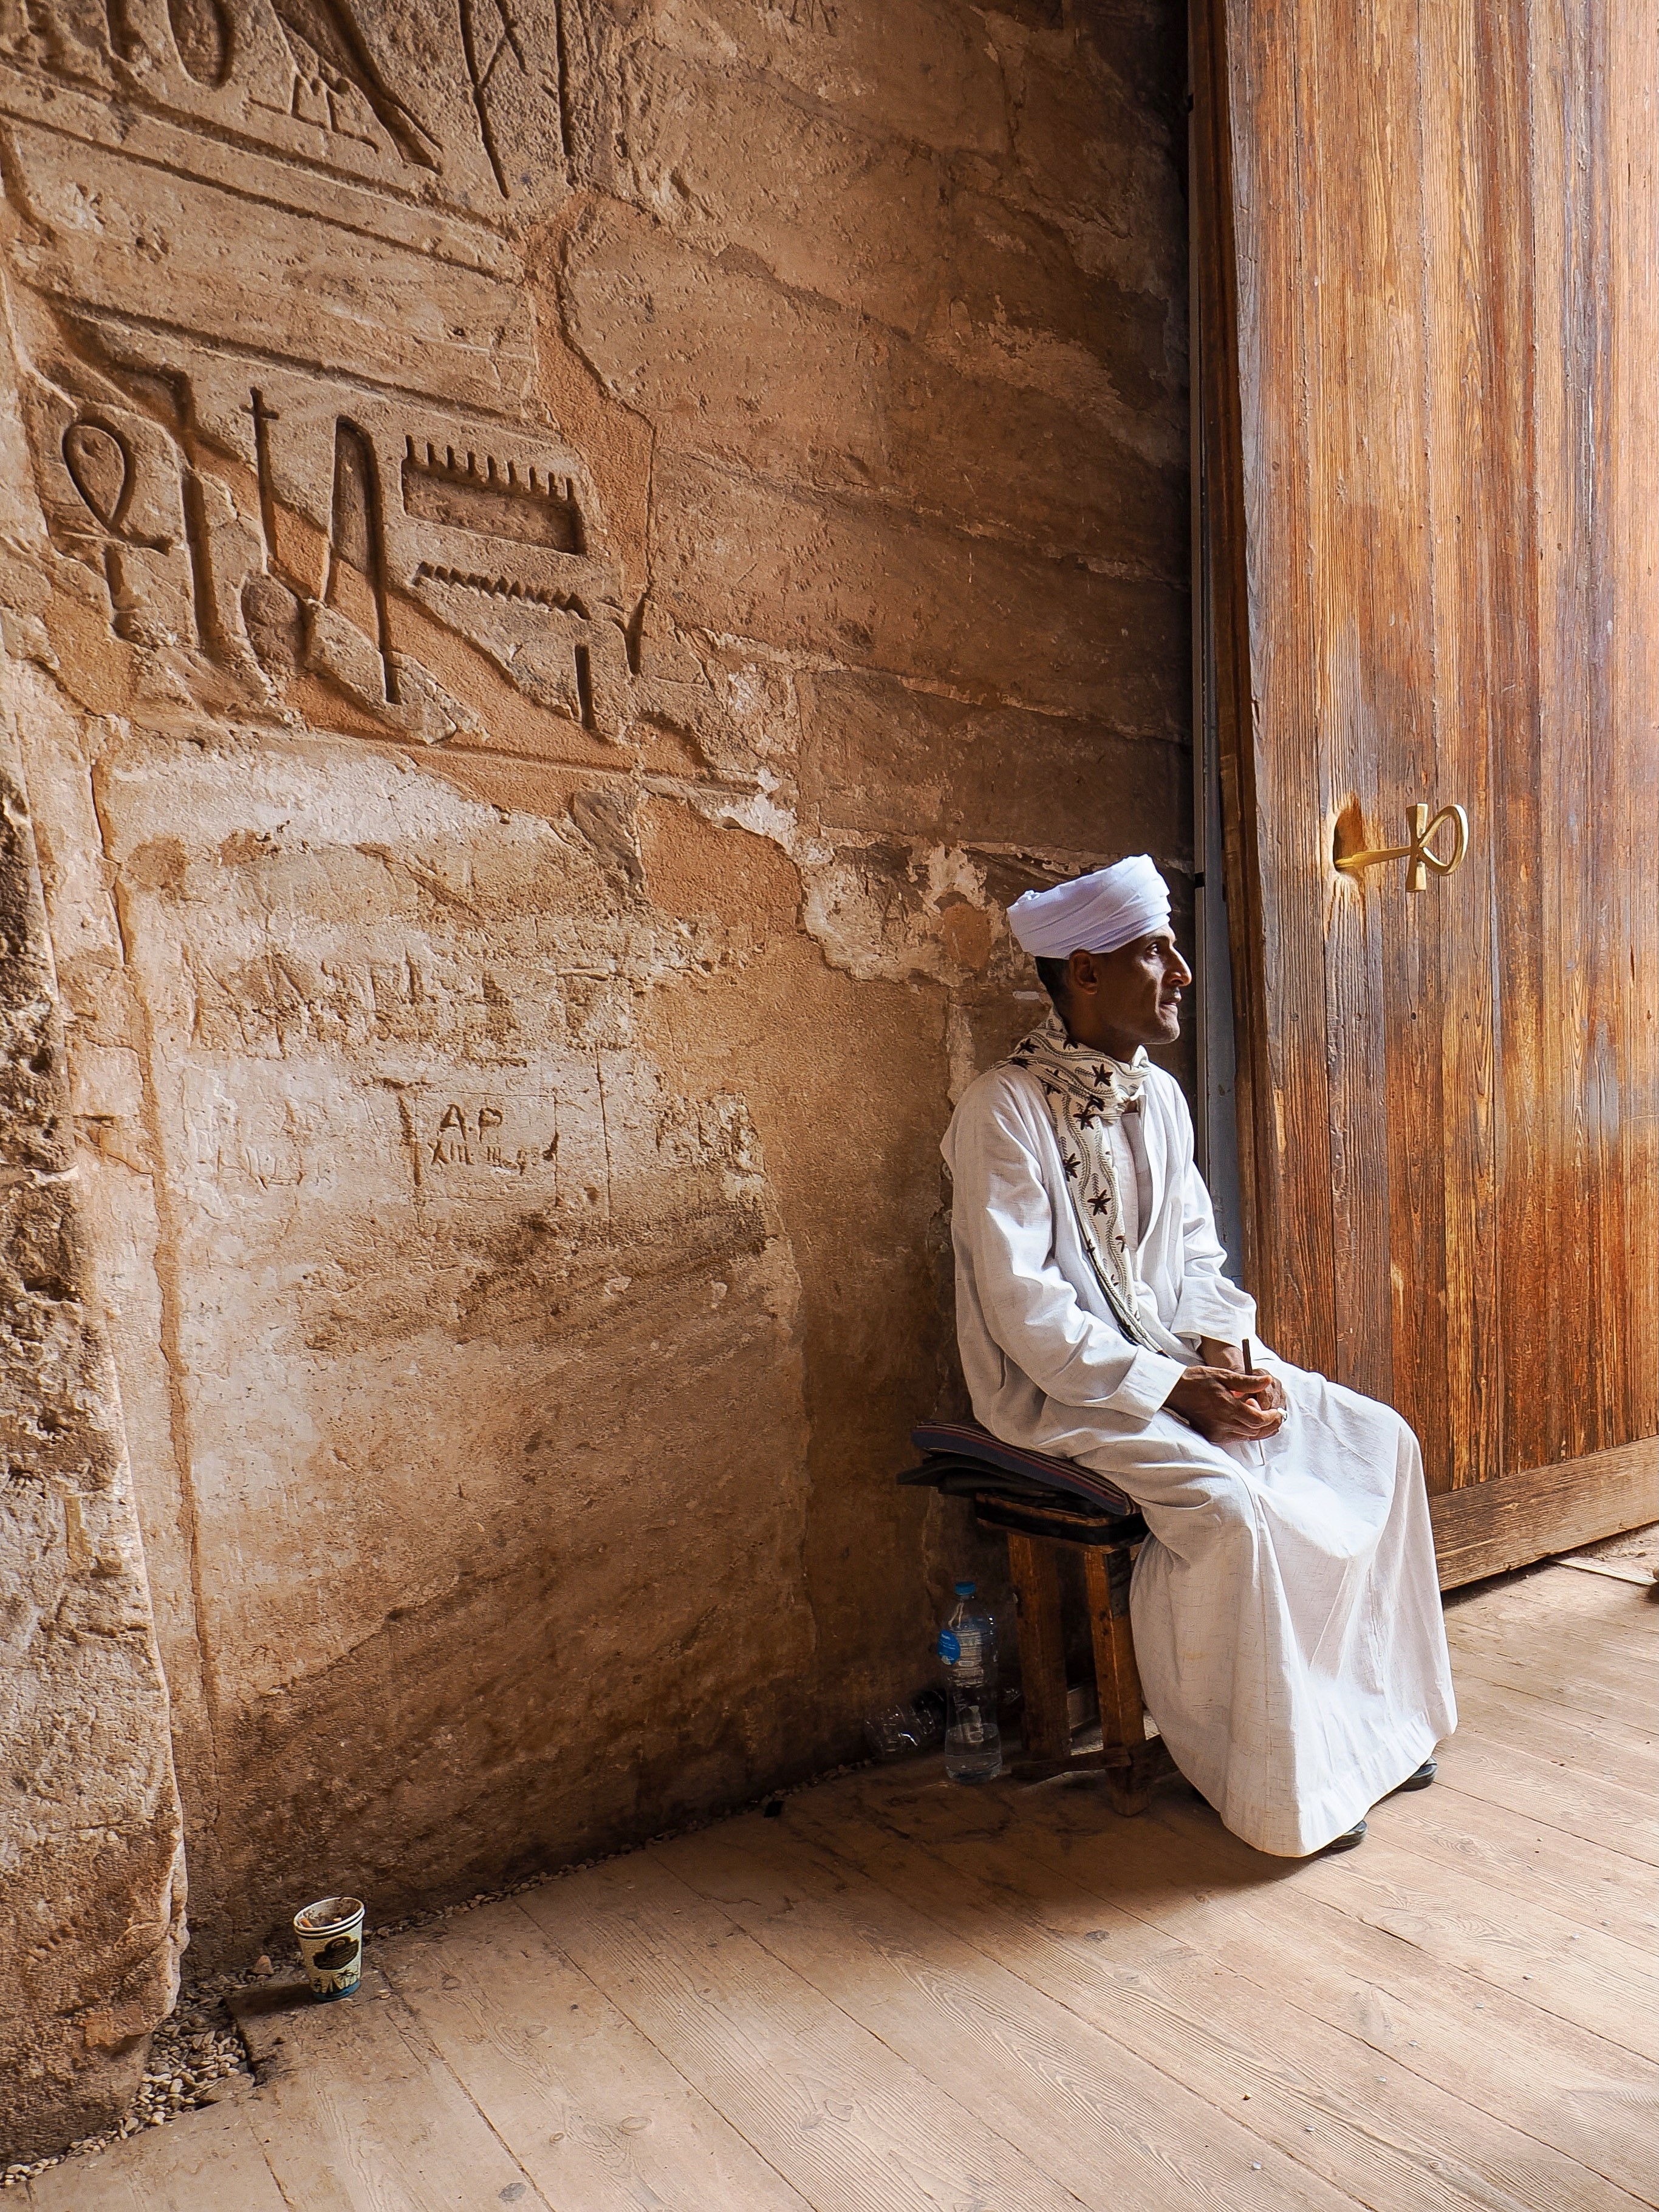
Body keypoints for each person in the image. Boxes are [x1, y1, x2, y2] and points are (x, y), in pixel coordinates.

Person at [941, 854, 1455, 1854]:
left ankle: (1371, 1731)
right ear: (1084, 971)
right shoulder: (998, 1112)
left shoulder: (1161, 1100)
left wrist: (1226, 1351)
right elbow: (1023, 1309)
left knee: (1378, 1440)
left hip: (1178, 1362)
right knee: (1232, 1508)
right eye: (1155, 951)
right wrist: (1179, 1392)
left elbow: (1195, 1253)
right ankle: (1276, 1780)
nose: (1179, 972)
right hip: (1067, 1394)